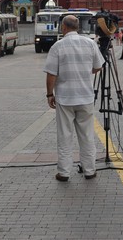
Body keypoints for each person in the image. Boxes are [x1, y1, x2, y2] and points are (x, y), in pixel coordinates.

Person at [44, 15, 104, 181]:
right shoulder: (90, 43)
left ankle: (64, 172)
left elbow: (51, 73)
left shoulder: (58, 46)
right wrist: (85, 72)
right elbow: (98, 66)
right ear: (77, 27)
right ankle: (90, 170)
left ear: (63, 27)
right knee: (86, 135)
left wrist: (50, 94)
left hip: (65, 98)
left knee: (64, 135)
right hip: (85, 97)